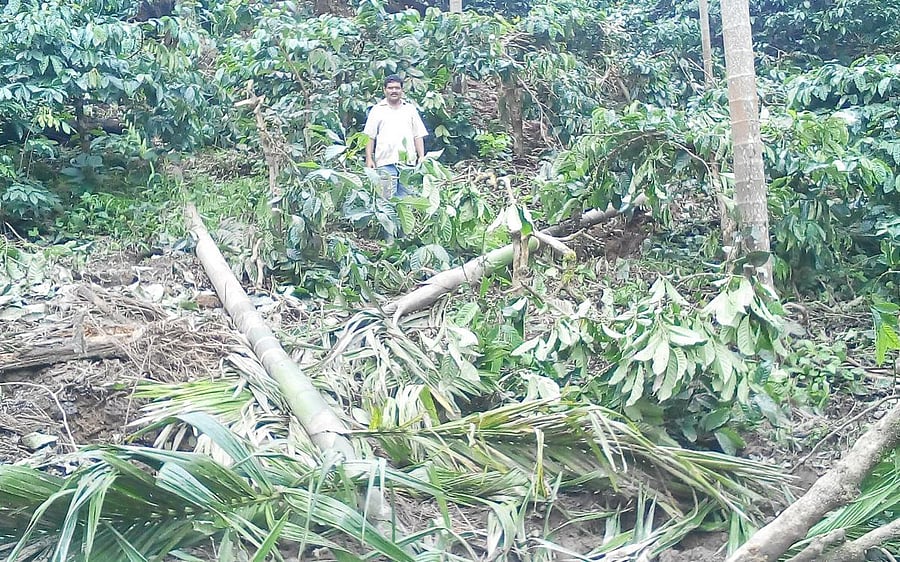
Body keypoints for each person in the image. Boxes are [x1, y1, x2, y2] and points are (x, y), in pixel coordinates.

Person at [363, 75, 428, 198]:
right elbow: (369, 137)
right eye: (390, 88)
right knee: (386, 200)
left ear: (402, 90)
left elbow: (418, 135)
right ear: (384, 90)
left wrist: (421, 157)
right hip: (385, 163)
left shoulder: (410, 110)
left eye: (397, 88)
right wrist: (369, 159)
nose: (394, 91)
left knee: (406, 201)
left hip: (408, 164)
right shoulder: (377, 110)